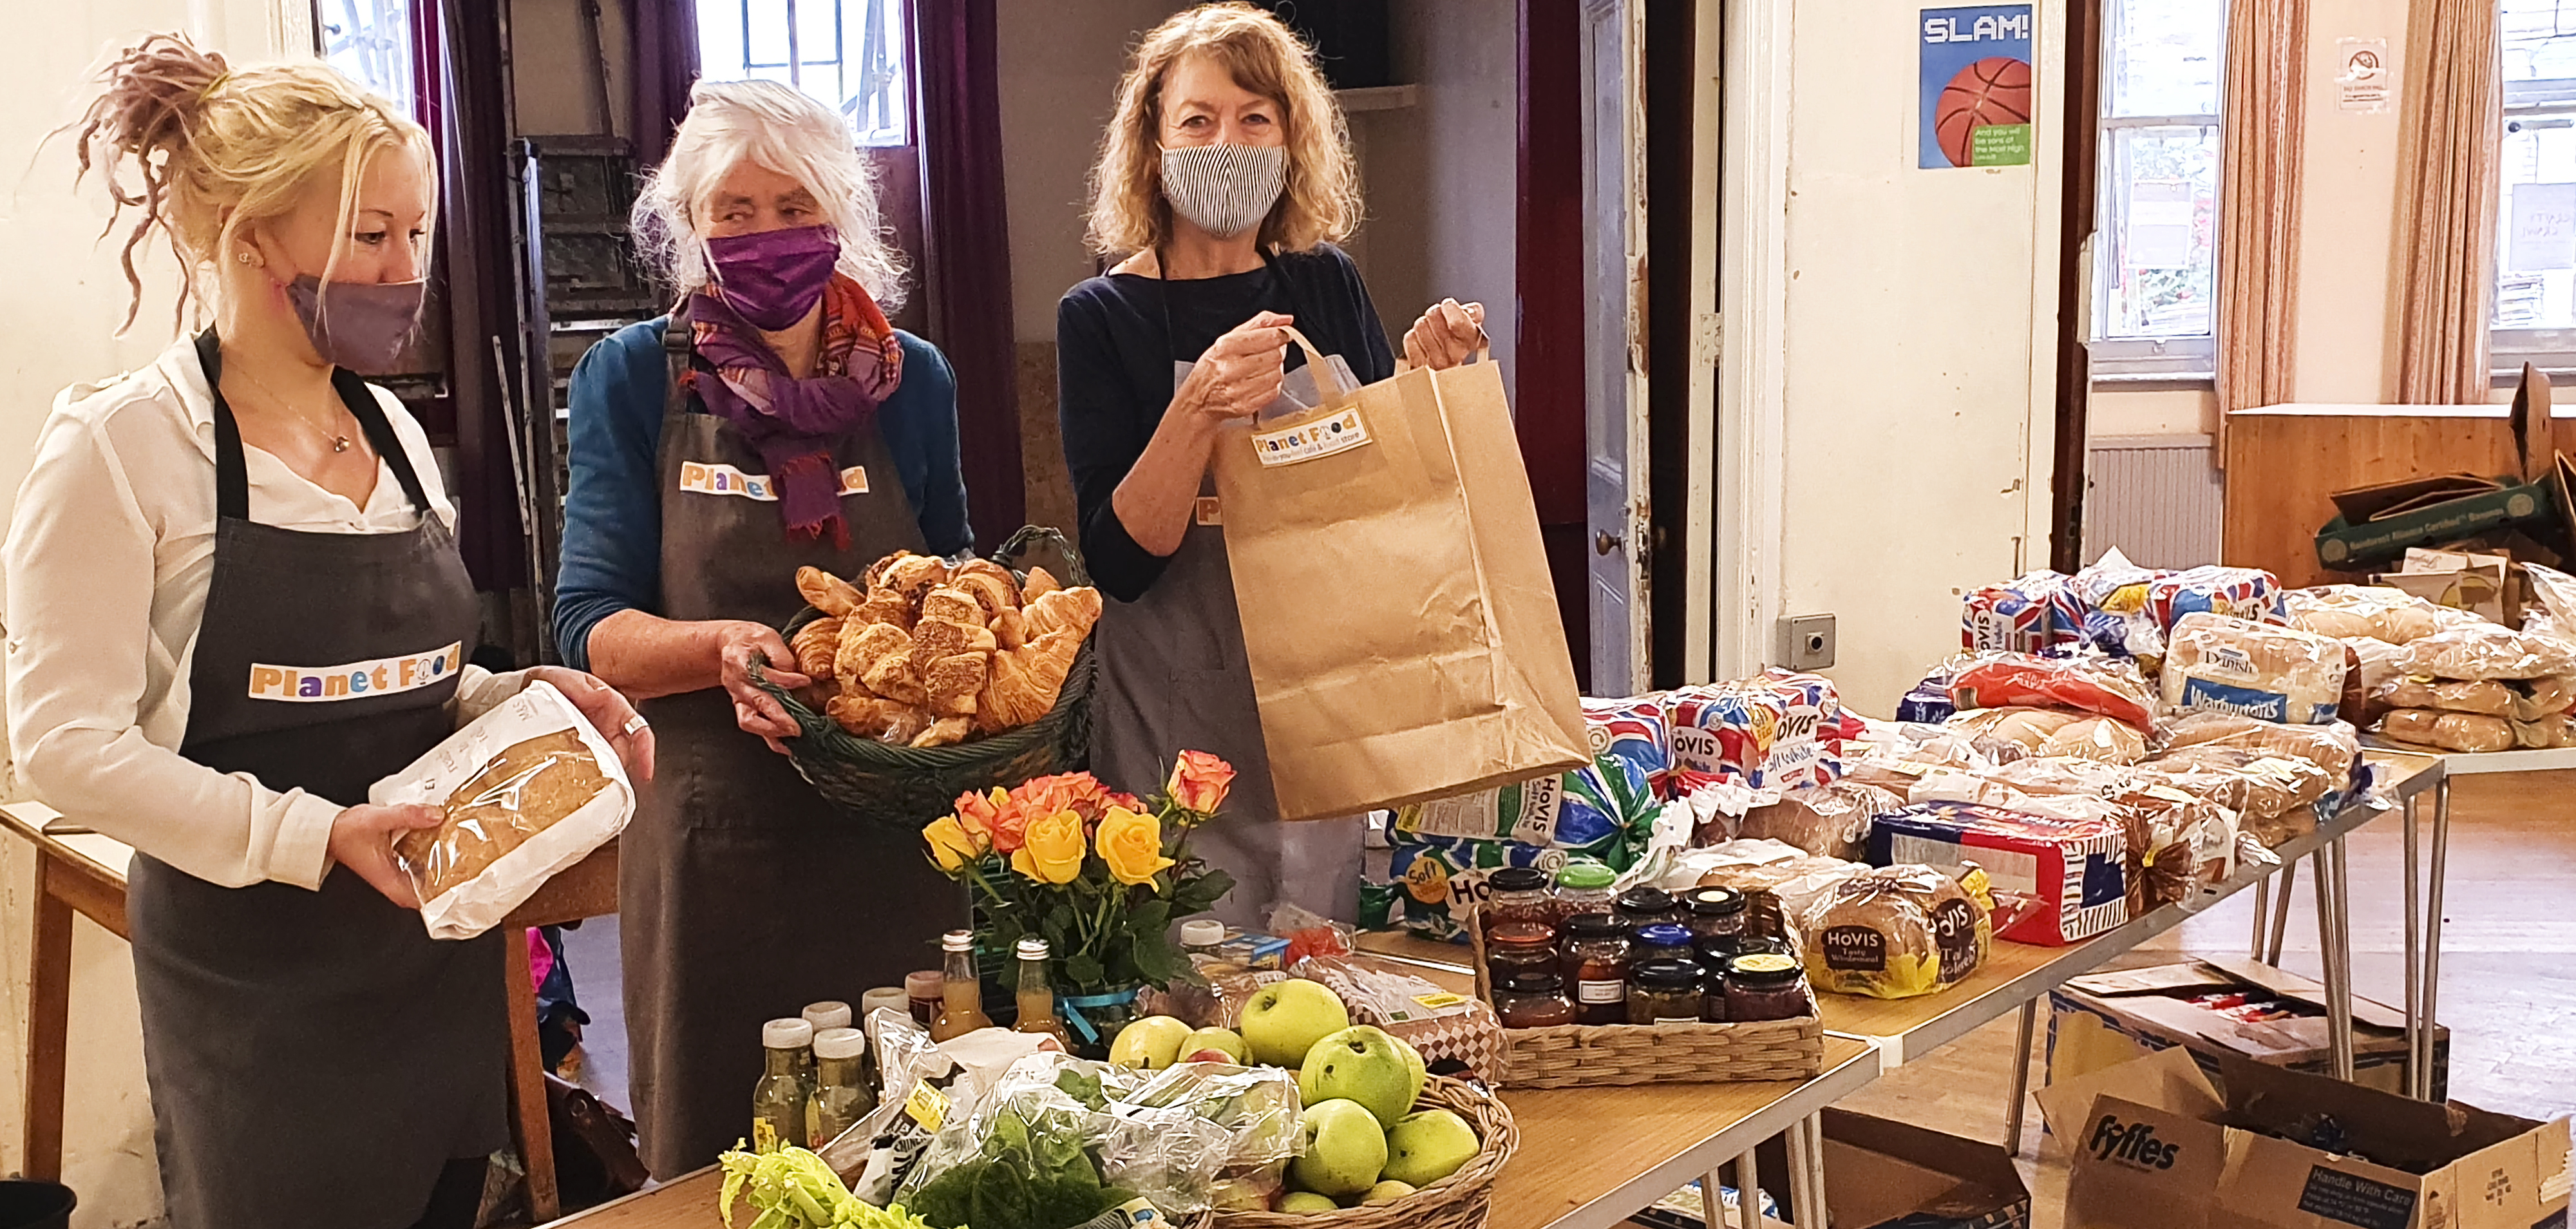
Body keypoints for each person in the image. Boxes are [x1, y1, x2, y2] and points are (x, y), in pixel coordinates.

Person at [2, 36, 651, 1229]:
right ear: (253, 238)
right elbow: (61, 746)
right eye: (370, 236)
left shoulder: (394, 433)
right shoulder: (126, 448)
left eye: (417, 232)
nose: (407, 269)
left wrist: (525, 702)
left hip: (432, 964)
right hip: (256, 991)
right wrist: (313, 832)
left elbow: (414, 684)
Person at [553, 79, 973, 1177]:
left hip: (898, 836)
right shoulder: (636, 379)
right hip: (715, 840)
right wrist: (716, 649)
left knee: (914, 1148)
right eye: (732, 212)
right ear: (690, 228)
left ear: (841, 215)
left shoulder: (911, 381)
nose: (764, 234)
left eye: (792, 206)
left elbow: (959, 578)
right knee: (722, 1154)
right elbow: (587, 624)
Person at [1058, 3, 1488, 927]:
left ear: (1291, 139)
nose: (1229, 142)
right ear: (1155, 143)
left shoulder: (1324, 283)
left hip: (1319, 699)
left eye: (1256, 118)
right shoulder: (1100, 316)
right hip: (1175, 709)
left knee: (1318, 962)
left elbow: (1385, 506)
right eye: (1199, 120)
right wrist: (1198, 409)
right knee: (1184, 975)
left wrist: (1423, 381)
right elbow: (1121, 563)